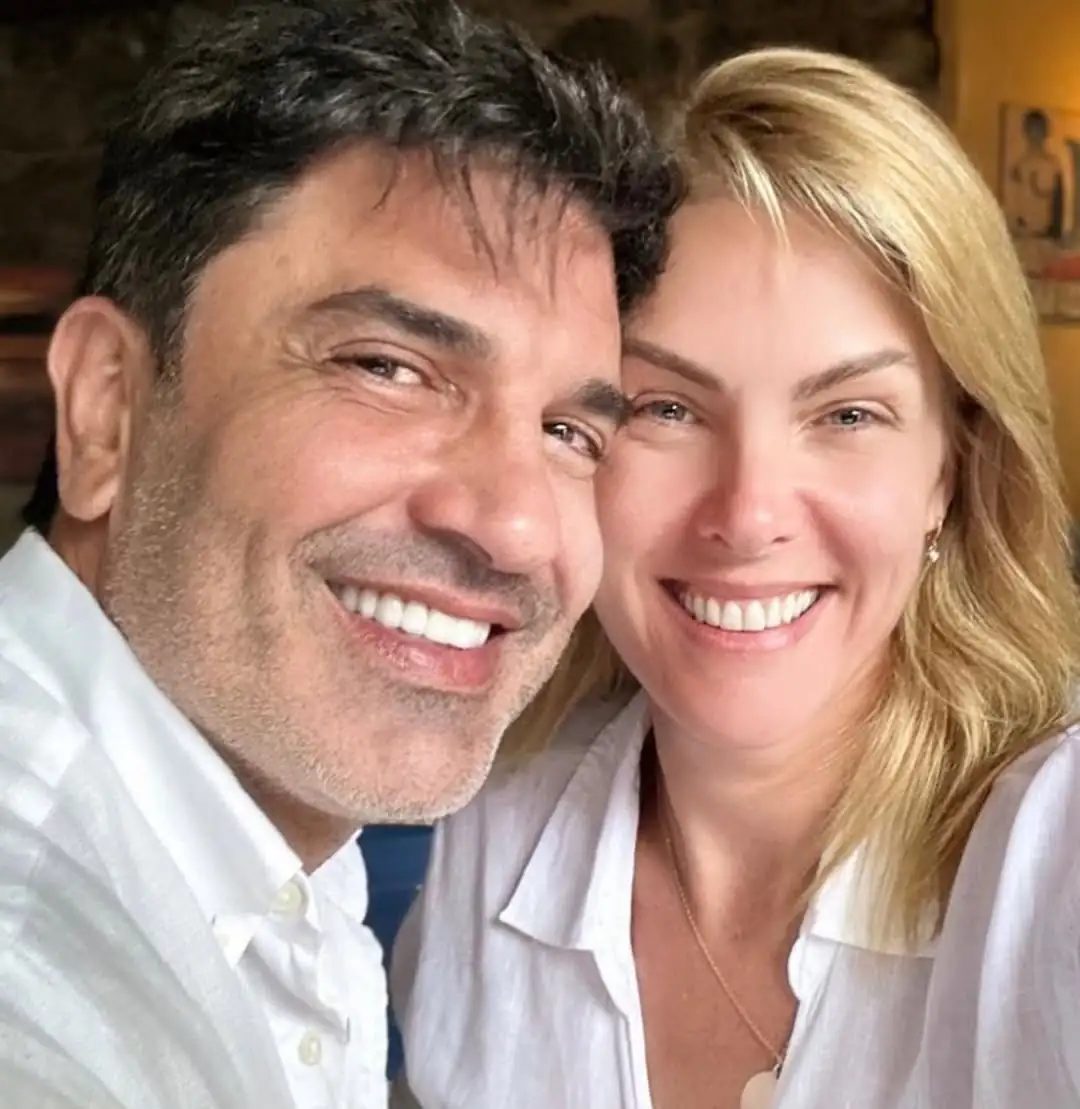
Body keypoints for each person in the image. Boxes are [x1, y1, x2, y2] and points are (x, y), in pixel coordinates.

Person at [0, 2, 679, 1107]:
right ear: (107, 408)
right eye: (387, 367)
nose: (516, 526)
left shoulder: (260, 824)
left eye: (569, 433)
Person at [391, 46, 1080, 1109]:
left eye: (847, 415)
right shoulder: (495, 823)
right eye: (666, 408)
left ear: (952, 473)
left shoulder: (1053, 851)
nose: (749, 515)